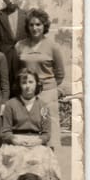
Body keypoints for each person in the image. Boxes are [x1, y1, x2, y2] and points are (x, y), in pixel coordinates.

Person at [0, 68, 62, 180]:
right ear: (19, 85)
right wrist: (16, 140)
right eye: (24, 82)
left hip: (36, 141)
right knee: (23, 155)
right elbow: (5, 132)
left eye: (31, 82)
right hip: (15, 141)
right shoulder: (11, 104)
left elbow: (46, 133)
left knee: (43, 154)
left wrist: (36, 141)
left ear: (37, 84)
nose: (27, 86)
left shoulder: (43, 106)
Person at [15, 8, 64, 150]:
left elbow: (60, 73)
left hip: (47, 92)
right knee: (30, 126)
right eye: (31, 25)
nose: (34, 28)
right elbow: (17, 70)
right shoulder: (20, 45)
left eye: (38, 24)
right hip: (27, 91)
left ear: (44, 26)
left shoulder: (53, 46)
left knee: (49, 126)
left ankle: (50, 162)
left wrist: (47, 87)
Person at [0, 0, 27, 96]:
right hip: (4, 57)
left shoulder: (26, 15)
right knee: (5, 87)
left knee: (22, 86)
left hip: (22, 58)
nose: (10, 1)